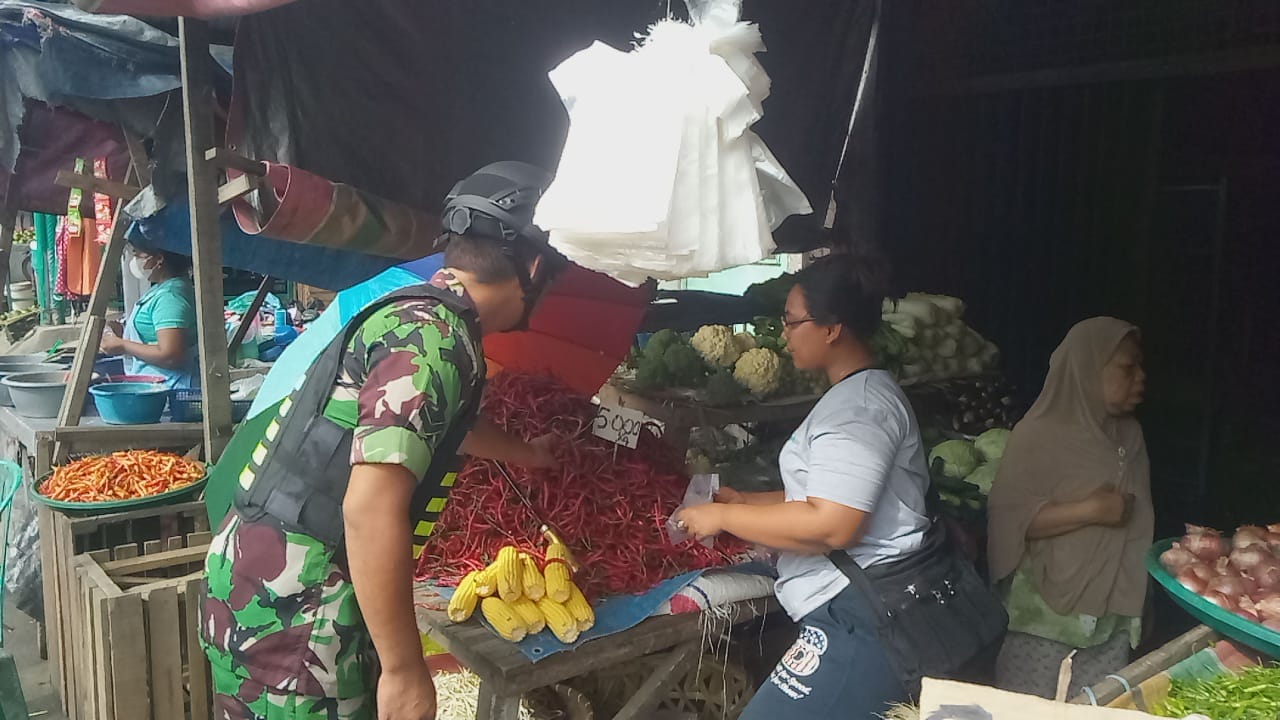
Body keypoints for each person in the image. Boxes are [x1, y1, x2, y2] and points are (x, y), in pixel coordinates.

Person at [200, 162, 569, 720]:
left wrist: (529, 453)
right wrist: (403, 670)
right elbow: (370, 509)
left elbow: (438, 427)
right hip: (300, 615)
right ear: (535, 266)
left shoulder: (413, 316)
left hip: (251, 583)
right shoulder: (434, 338)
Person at [676, 253, 931, 719]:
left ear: (831, 328)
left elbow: (833, 525)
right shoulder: (857, 395)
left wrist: (724, 516)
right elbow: (826, 496)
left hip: (863, 616)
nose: (785, 335)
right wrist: (748, 502)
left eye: (792, 322)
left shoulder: (858, 411)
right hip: (857, 605)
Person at [987, 317, 1150, 699]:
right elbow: (1007, 521)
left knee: (1096, 706)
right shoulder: (1038, 435)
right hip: (1044, 618)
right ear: (1087, 369)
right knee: (1025, 708)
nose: (1141, 377)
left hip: (1111, 618)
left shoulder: (1129, 434)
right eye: (1128, 367)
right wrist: (1091, 510)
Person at [100, 242, 199, 388]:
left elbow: (171, 355)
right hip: (154, 385)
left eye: (137, 254)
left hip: (170, 389)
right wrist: (123, 332)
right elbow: (153, 333)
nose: (134, 260)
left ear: (159, 259)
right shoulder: (162, 289)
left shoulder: (170, 297)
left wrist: (122, 345)